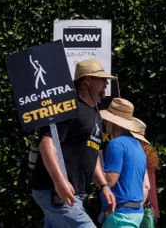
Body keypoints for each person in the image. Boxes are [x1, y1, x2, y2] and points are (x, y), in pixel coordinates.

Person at [30, 58, 116, 227]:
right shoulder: (68, 108)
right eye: (101, 79)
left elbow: (92, 153)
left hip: (73, 194)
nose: (106, 83)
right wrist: (59, 182)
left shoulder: (95, 114)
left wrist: (104, 185)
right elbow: (46, 144)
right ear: (87, 80)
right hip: (56, 193)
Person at [99, 98, 148, 228]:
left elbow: (110, 180)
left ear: (116, 123)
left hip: (120, 214)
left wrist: (94, 167)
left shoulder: (116, 144)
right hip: (136, 212)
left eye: (108, 120)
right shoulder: (138, 146)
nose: (105, 123)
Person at [131, 118, 160, 226]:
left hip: (143, 207)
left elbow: (145, 186)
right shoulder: (147, 151)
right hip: (151, 208)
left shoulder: (138, 153)